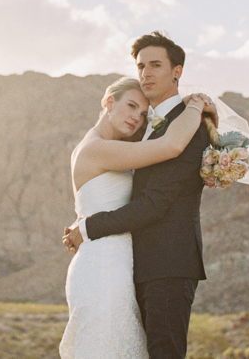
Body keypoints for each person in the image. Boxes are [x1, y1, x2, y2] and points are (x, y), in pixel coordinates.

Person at [63, 31, 212, 359]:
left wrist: (86, 227)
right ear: (108, 102)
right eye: (141, 65)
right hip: (121, 267)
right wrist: (194, 104)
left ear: (177, 71)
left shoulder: (186, 128)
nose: (145, 72)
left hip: (167, 264)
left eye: (155, 65)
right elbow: (164, 150)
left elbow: (154, 203)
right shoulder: (118, 144)